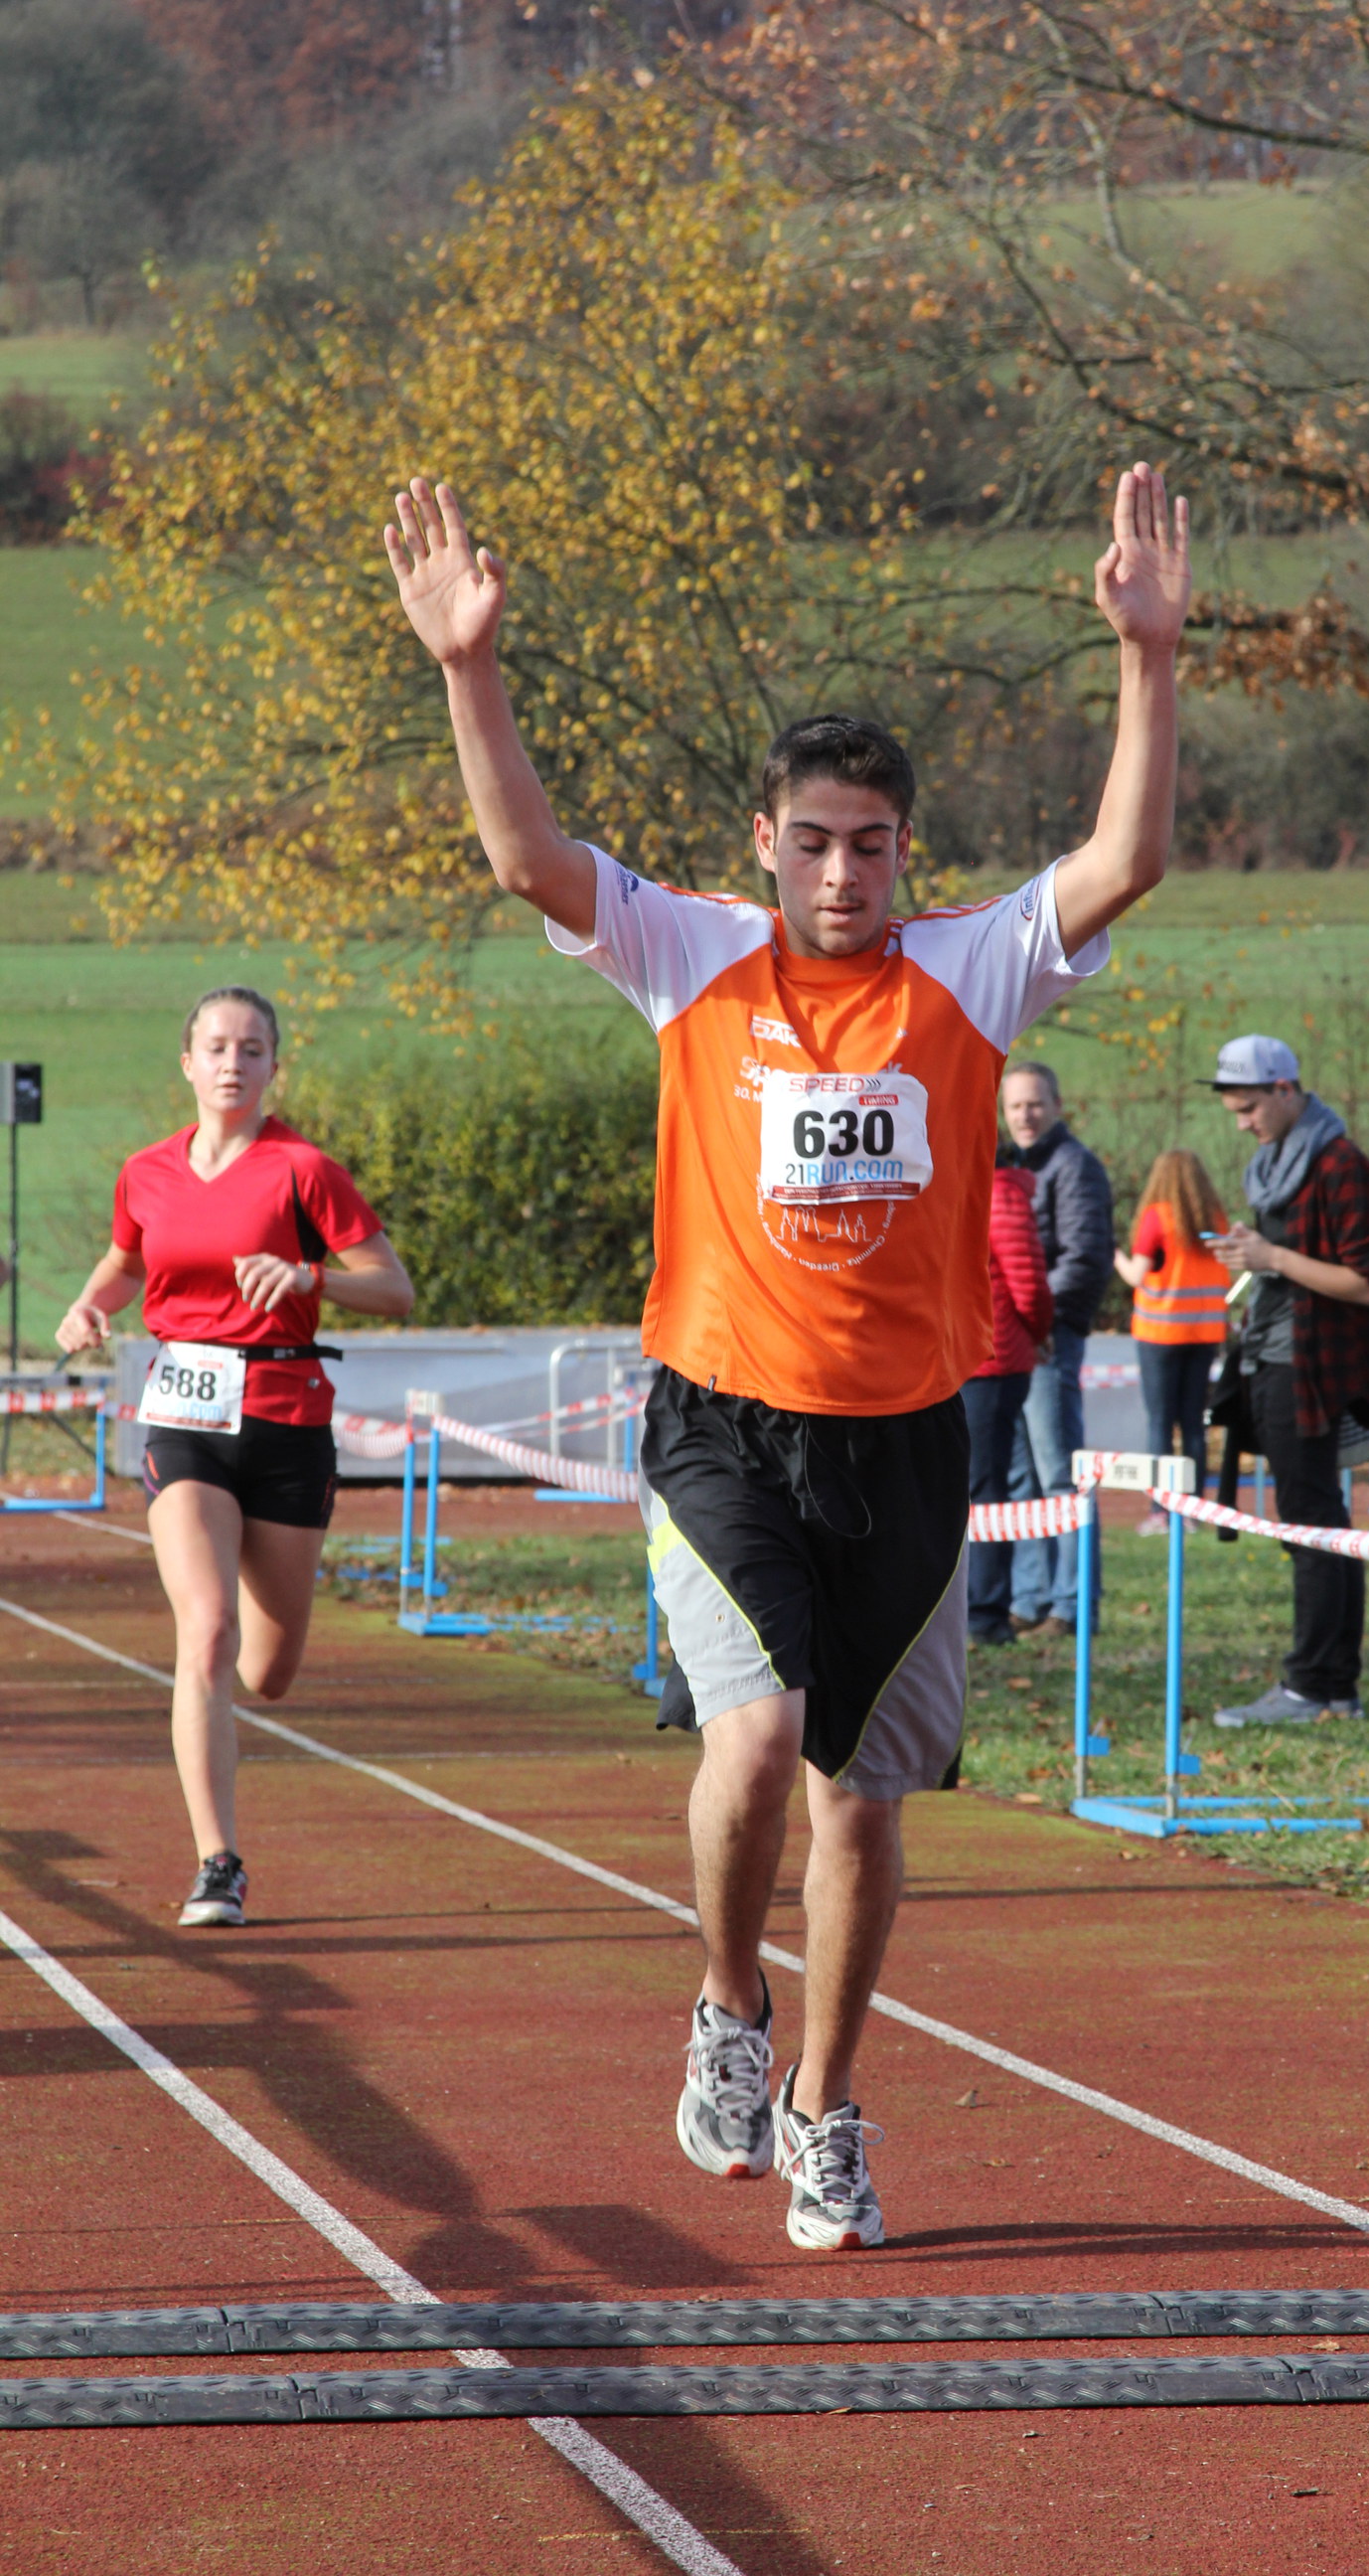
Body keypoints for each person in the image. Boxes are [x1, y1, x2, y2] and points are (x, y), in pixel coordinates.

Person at [383, 462, 1191, 2249]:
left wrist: (1148, 655)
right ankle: (728, 2002)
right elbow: (525, 858)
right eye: (812, 841)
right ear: (764, 843)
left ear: (908, 855)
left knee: (863, 1801)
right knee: (751, 1746)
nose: (840, 871)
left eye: (870, 844)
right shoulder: (691, 954)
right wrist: (469, 665)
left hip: (903, 1441)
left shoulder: (969, 973)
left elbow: (1124, 860)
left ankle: (827, 2101)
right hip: (724, 1423)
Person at [54, 988, 414, 1926]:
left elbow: (395, 1289)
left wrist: (307, 1276)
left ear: (272, 1069)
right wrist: (90, 1305)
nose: (232, 1063)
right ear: (187, 1062)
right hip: (185, 1420)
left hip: (287, 1422)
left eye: (252, 1049)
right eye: (216, 1046)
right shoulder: (146, 1172)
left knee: (268, 1671)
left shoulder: (305, 1171)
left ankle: (246, 1694)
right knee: (207, 1630)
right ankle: (219, 1863)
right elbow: (126, 1262)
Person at [1201, 1036, 1369, 1728]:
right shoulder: (1277, 1164)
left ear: (1285, 1089)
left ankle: (1312, 1684)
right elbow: (1286, 1260)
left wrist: (1271, 1257)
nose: (1242, 1124)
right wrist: (1253, 1258)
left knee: (1313, 1524)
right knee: (1319, 1522)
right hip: (1272, 1359)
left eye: (1249, 1108)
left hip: (1312, 1369)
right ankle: (1332, 1686)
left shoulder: (1341, 1164)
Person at [998, 1063, 1114, 1639]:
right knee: (1021, 1478)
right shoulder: (1008, 1166)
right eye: (1015, 1105)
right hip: (1014, 1342)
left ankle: (1071, 1604)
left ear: (1058, 1105)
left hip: (1050, 1337)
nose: (1025, 1115)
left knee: (1060, 1474)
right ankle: (1029, 1598)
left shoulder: (1074, 1166)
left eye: (1035, 1103)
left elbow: (1085, 1257)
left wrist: (1037, 1318)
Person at [964, 1154, 1054, 1646]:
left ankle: (986, 1613)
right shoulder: (976, 1185)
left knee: (986, 1486)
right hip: (969, 1357)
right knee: (981, 1484)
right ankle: (978, 1608)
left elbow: (1029, 1284)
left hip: (993, 1359)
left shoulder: (1002, 1192)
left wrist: (1038, 1333)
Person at [1113, 1147, 1229, 1530]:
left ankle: (1160, 1511)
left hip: (1160, 1333)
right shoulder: (1215, 1219)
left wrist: (1113, 1254)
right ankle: (1193, 1509)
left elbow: (1136, 1275)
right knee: (1193, 1424)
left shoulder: (1157, 1218)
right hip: (1204, 1332)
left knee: (1160, 1423)